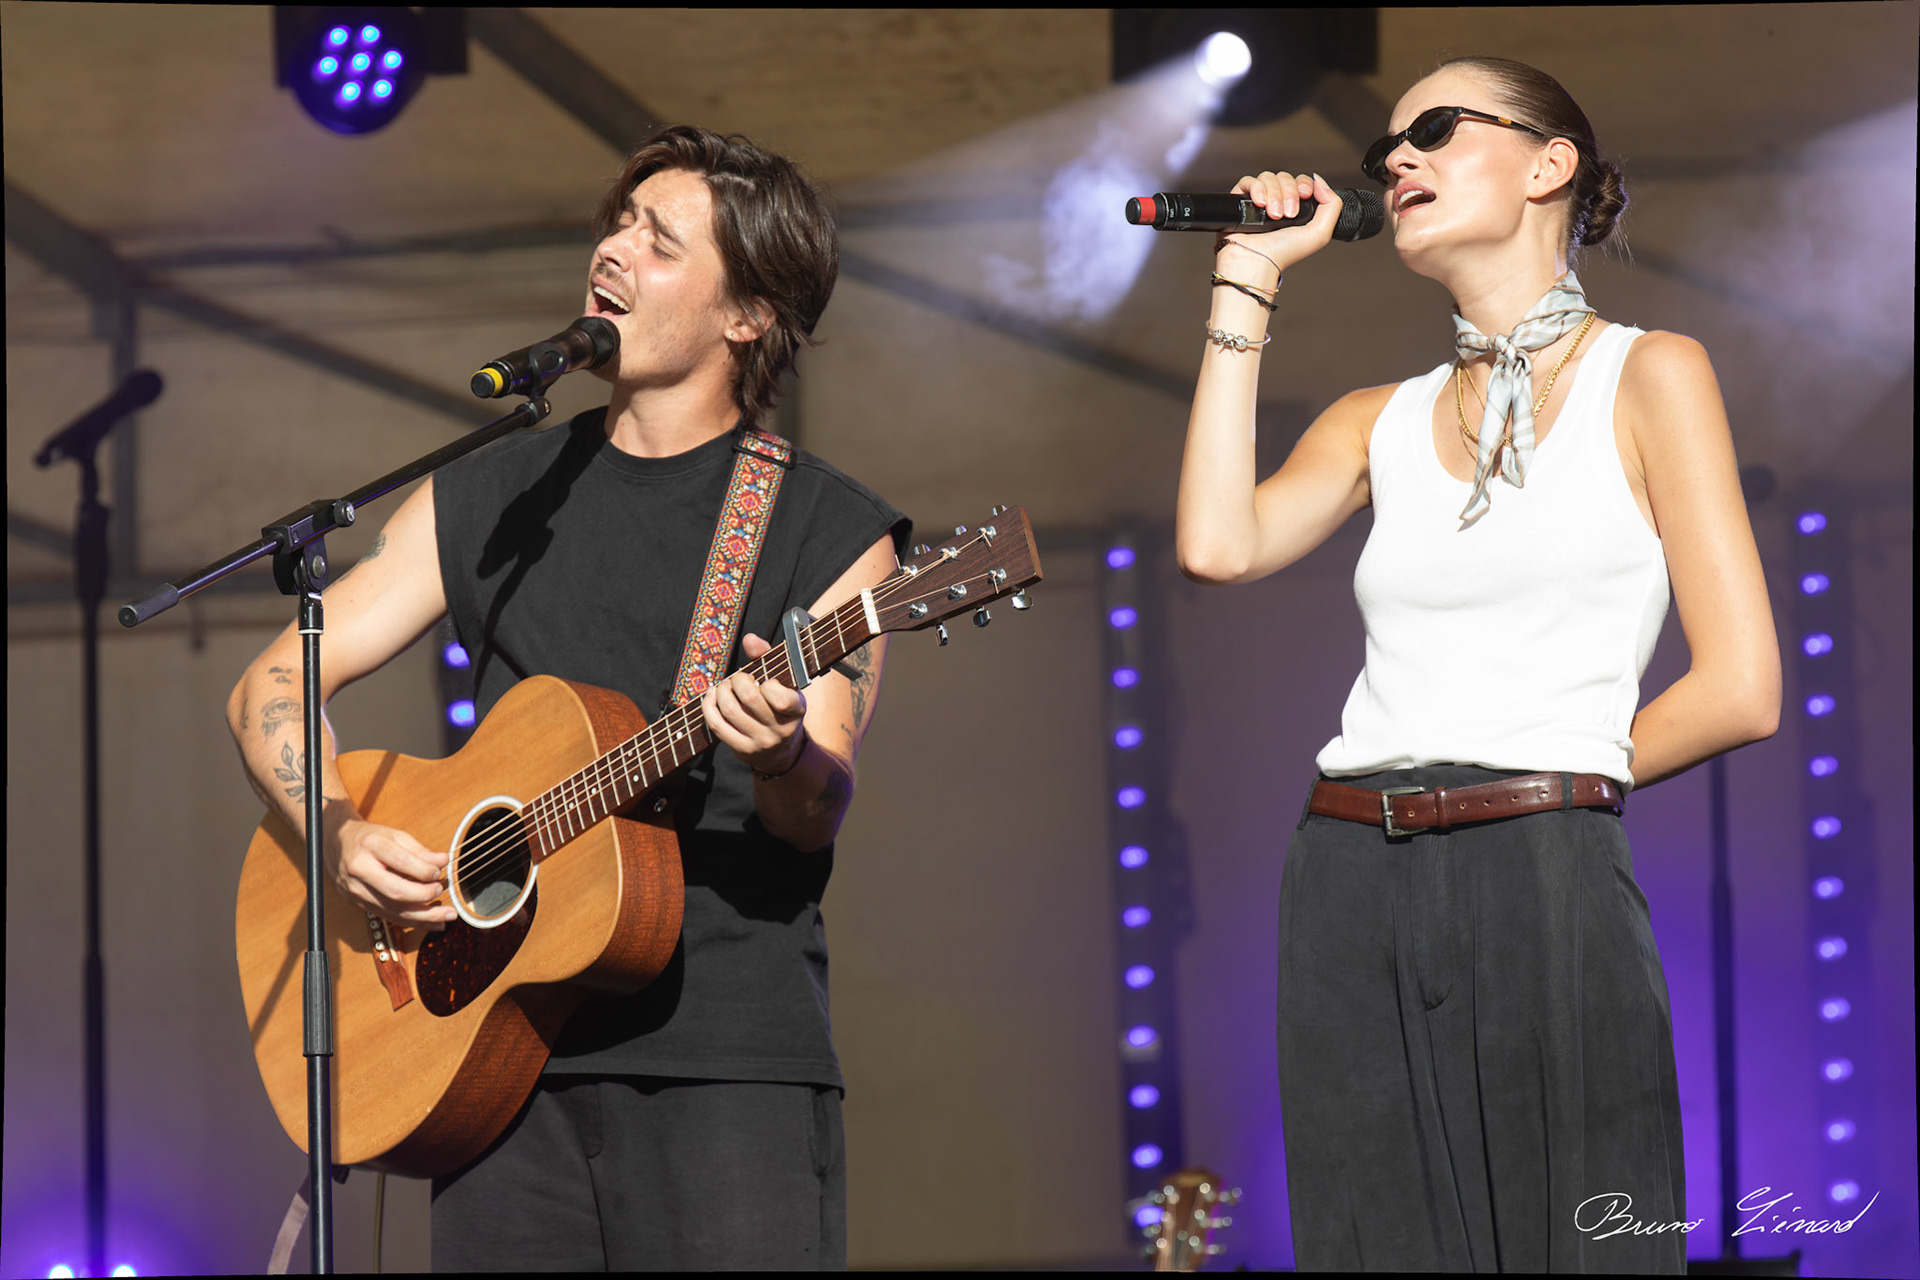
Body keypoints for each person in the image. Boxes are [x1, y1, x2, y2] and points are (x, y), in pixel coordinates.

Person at [226, 125, 910, 1270]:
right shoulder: (491, 490)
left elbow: (815, 805)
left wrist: (782, 751)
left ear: (748, 316)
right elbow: (272, 681)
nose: (613, 249)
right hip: (488, 1055)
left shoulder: (823, 529)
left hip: (722, 1062)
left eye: (660, 238)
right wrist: (337, 829)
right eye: (618, 222)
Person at [1173, 56, 1780, 1272]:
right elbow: (1216, 543)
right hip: (1347, 870)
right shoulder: (1374, 417)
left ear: (1551, 163)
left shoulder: (1652, 372)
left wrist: (1547, 781)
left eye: (1436, 132)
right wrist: (1246, 276)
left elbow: (1741, 687)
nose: (1396, 160)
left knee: (1584, 1237)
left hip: (1543, 861)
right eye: (1384, 150)